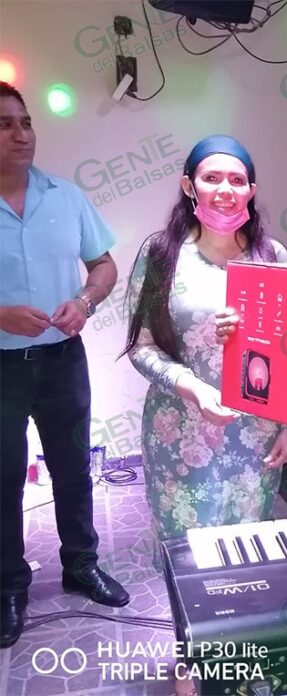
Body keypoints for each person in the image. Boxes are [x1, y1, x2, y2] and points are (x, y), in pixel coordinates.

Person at [0, 82, 129, 649]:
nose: (21, 134)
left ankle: (81, 565)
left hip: (62, 362)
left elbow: (104, 265)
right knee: (3, 478)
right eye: (5, 124)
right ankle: (9, 584)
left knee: (74, 468)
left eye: (25, 122)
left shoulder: (66, 196)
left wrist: (85, 301)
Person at [124, 134, 287, 548]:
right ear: (189, 186)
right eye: (212, 178)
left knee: (246, 545)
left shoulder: (272, 256)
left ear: (251, 191)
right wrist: (195, 388)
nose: (225, 190)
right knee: (187, 549)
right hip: (180, 429)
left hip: (254, 433)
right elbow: (141, 346)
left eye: (237, 181)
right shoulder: (161, 254)